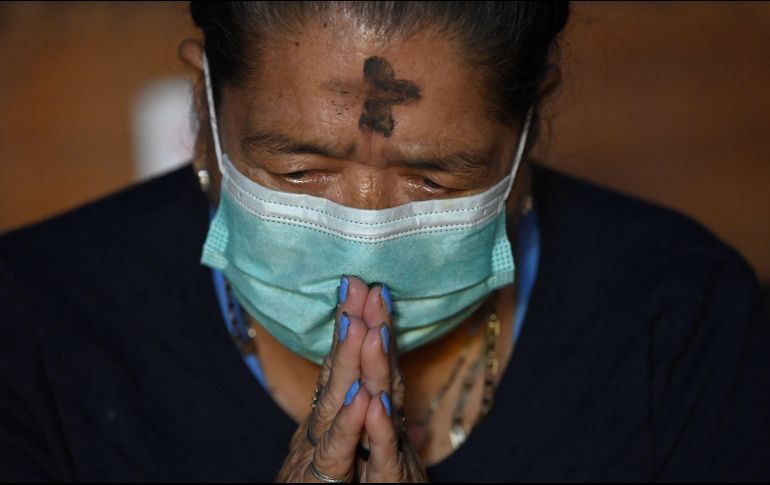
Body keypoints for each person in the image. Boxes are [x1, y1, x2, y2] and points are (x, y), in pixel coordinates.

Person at [1, 1, 769, 481]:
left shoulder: (684, 328)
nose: (364, 240)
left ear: (528, 131)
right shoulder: (34, 331)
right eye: (300, 169)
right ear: (205, 114)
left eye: (433, 180)